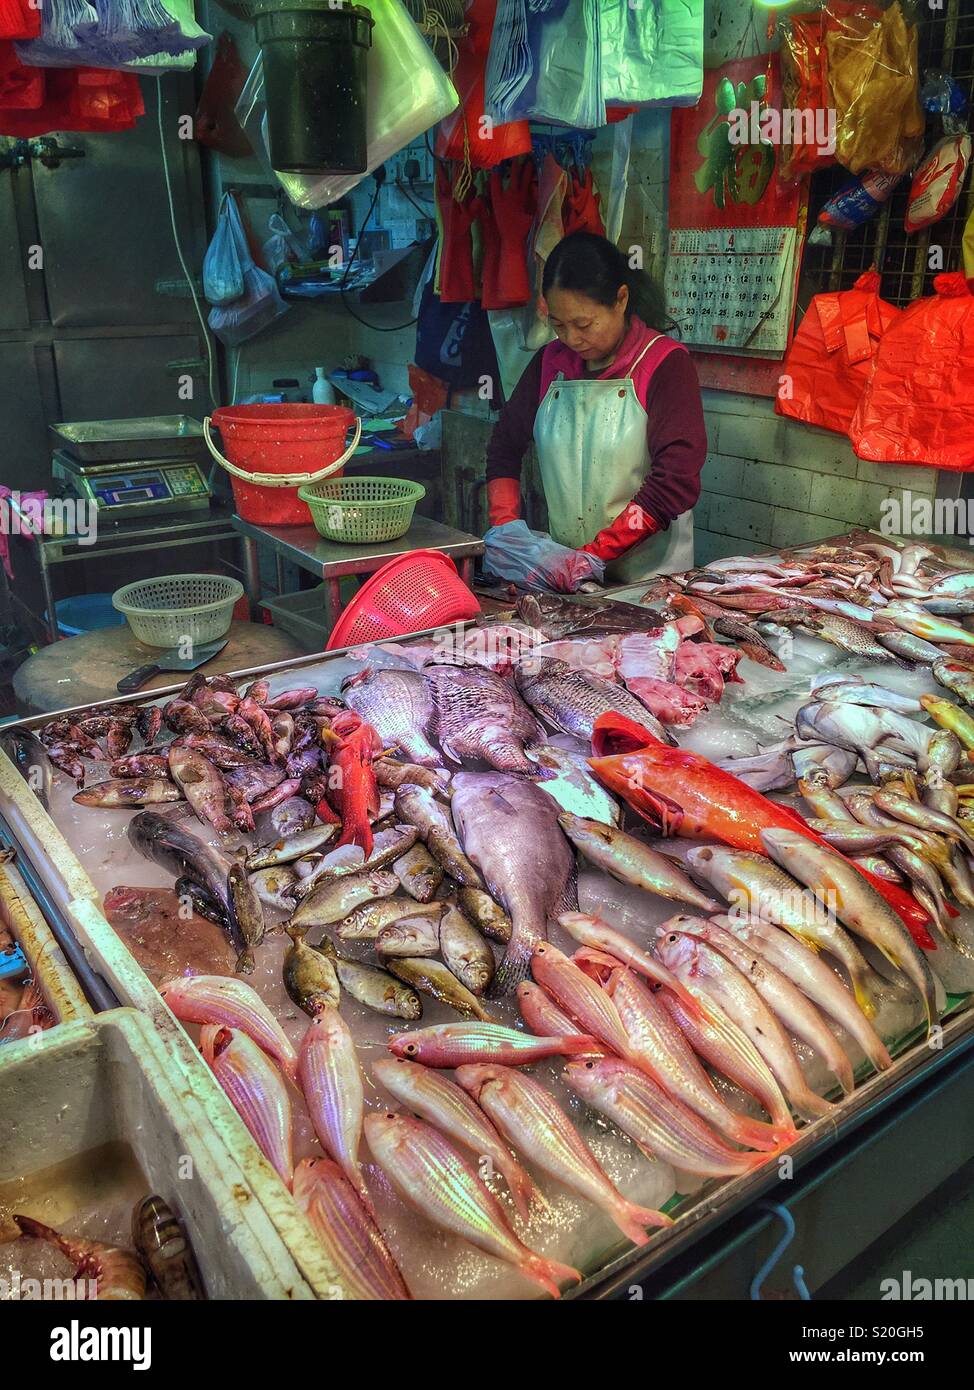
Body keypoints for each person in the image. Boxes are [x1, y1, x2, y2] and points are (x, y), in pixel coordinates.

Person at [485, 231, 707, 585]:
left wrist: (596, 555)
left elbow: (675, 481)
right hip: (571, 579)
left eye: (583, 324)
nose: (571, 338)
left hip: (650, 581)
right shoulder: (549, 363)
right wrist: (506, 527)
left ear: (620, 300)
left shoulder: (666, 364)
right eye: (558, 325)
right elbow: (504, 446)